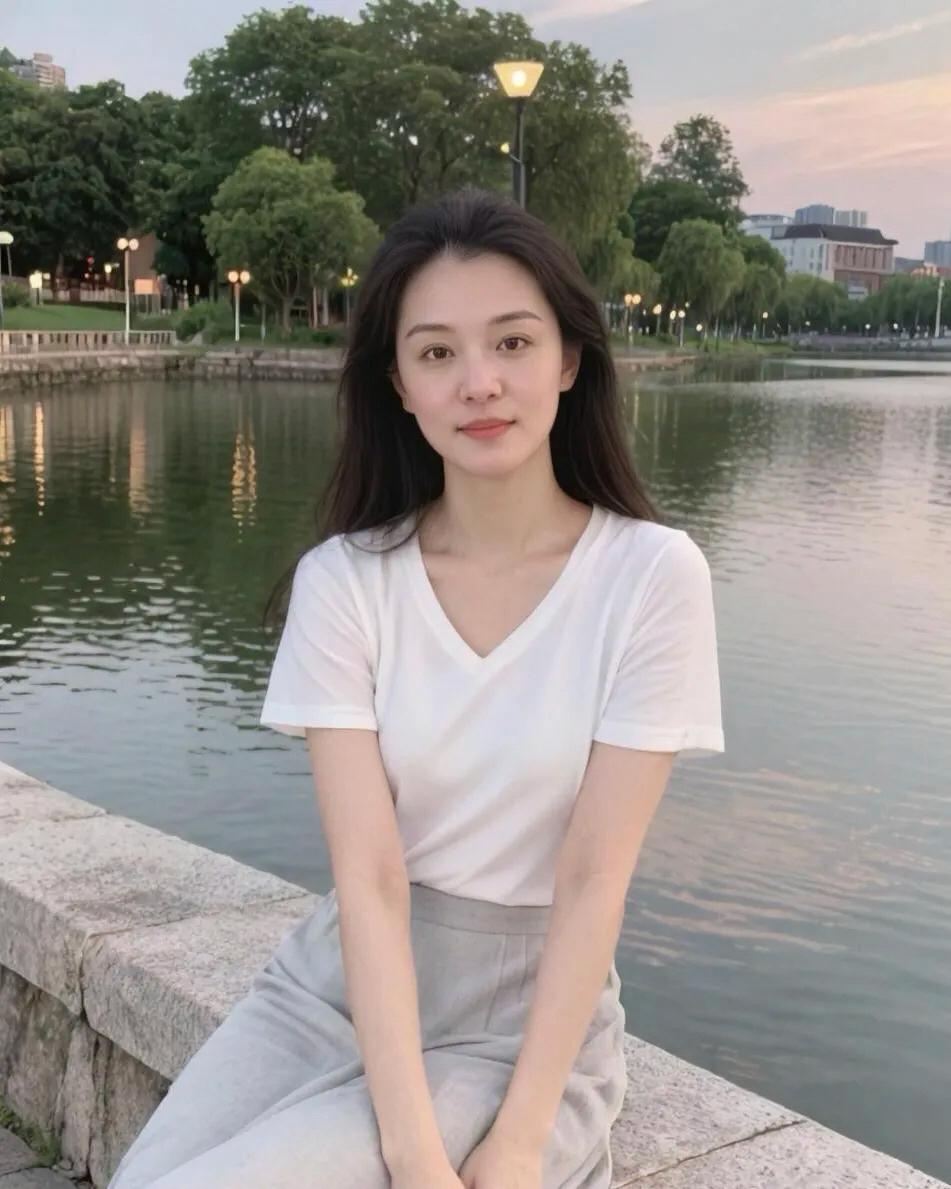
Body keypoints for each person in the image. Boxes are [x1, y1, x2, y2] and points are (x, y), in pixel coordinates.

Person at [107, 185, 725, 1189]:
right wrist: (411, 1153)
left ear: (570, 358)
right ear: (397, 383)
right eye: (437, 353)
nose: (479, 383)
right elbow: (370, 876)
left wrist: (517, 1143)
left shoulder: (651, 577)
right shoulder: (346, 582)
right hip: (335, 986)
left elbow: (592, 878)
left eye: (513, 343)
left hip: (523, 1015)